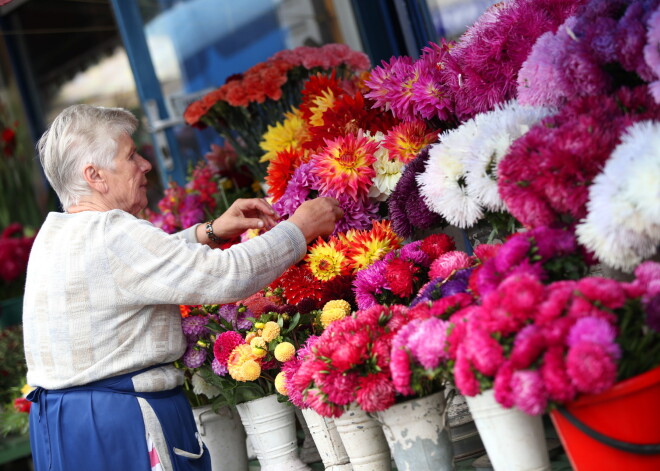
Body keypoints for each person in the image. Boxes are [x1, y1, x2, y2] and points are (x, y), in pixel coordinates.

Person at [23, 104, 343, 471]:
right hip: (118, 423)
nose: (145, 165)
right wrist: (298, 229)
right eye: (131, 156)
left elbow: (125, 271)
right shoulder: (114, 232)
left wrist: (207, 232)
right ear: (95, 175)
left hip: (66, 427)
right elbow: (228, 276)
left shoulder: (58, 234)